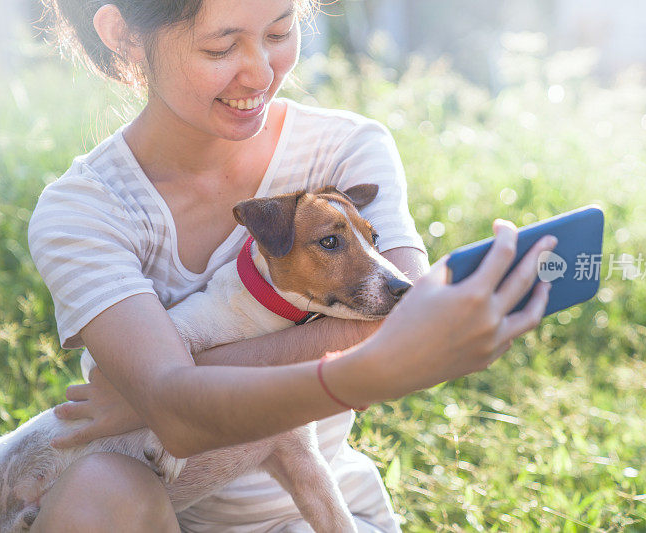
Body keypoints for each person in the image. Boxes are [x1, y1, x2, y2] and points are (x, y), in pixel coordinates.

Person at [27, 0, 556, 531]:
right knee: (97, 489)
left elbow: (399, 311)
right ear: (123, 35)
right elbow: (180, 419)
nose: (260, 73)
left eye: (280, 32)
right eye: (221, 46)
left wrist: (161, 394)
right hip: (156, 513)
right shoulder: (84, 210)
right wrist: (344, 370)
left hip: (317, 511)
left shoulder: (344, 148)